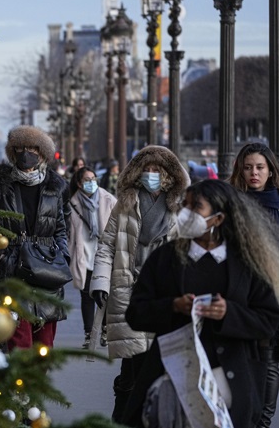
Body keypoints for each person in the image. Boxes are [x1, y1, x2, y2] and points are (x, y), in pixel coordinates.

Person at [123, 180, 279, 428]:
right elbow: (135, 313)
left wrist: (229, 313)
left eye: (196, 207)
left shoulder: (247, 263)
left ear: (218, 218)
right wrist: (173, 306)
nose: (186, 213)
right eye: (185, 205)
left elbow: (269, 321)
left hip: (230, 381)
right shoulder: (165, 258)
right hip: (173, 377)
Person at [90, 145, 190, 422]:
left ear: (169, 174)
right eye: (146, 169)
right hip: (128, 288)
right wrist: (100, 282)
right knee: (133, 364)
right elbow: (108, 244)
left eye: (156, 170)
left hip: (165, 294)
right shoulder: (125, 203)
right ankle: (123, 417)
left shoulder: (180, 207)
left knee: (157, 362)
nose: (150, 174)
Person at [0, 125, 70, 350]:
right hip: (13, 271)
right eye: (19, 148)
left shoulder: (54, 187)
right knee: (19, 345)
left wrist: (62, 255)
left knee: (44, 347)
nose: (25, 154)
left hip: (46, 272)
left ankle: (35, 385)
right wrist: (1, 260)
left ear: (42, 153)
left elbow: (61, 227)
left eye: (31, 148)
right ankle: (20, 387)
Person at [229, 142, 279, 428]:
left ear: (270, 170)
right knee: (244, 357)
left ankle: (262, 421)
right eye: (248, 167)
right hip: (241, 290)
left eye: (259, 167)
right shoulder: (233, 202)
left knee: (270, 357)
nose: (253, 173)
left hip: (273, 290)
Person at [68, 166, 117, 349]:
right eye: (87, 180)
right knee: (86, 296)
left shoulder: (107, 199)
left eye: (93, 178)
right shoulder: (72, 204)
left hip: (103, 255)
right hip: (83, 255)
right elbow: (68, 231)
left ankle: (104, 328)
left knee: (102, 294)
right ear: (79, 184)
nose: (92, 182)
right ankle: (89, 334)